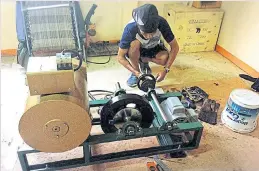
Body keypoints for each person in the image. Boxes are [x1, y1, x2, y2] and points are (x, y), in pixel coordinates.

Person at [117, 4, 179, 87]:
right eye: (145, 33)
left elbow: (175, 47)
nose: (149, 36)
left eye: (152, 33)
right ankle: (136, 71)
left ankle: (144, 61)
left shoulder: (162, 23)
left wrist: (166, 70)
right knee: (134, 44)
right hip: (136, 50)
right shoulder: (130, 28)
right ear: (139, 27)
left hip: (153, 47)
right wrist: (136, 73)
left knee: (165, 59)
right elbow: (120, 57)